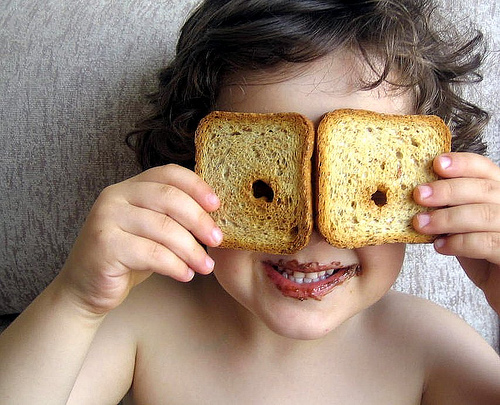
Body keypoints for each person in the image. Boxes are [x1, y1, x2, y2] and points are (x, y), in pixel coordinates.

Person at [1, 0, 500, 403]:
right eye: (267, 188)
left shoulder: (429, 345)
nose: (312, 232)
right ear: (194, 165)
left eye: (368, 188)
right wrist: (75, 301)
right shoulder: (142, 320)